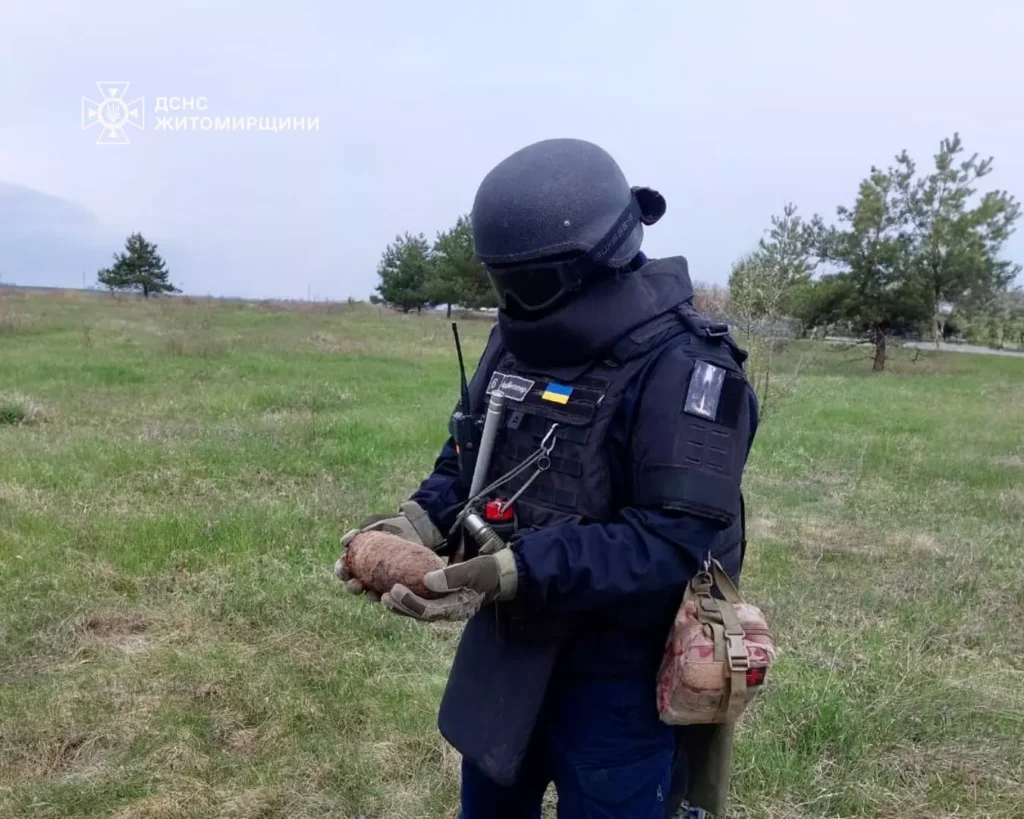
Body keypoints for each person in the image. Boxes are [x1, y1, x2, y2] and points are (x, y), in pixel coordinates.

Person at [337, 138, 759, 819]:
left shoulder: (690, 370)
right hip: (509, 651)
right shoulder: (515, 340)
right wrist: (419, 519)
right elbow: (470, 456)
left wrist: (514, 569)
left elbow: (672, 539)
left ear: (597, 261)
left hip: (620, 670)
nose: (517, 302)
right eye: (507, 284)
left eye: (530, 285)